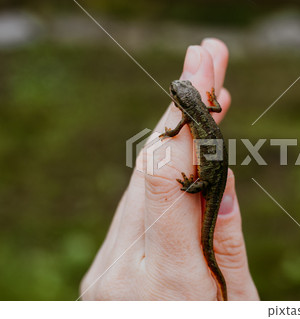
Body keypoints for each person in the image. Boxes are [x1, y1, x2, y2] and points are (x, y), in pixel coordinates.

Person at [79, 38, 259, 300]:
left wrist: (188, 180)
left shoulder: (188, 115)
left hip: (211, 177)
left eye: (176, 93)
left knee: (205, 207)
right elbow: (216, 106)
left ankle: (192, 187)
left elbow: (175, 131)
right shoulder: (203, 109)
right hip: (214, 171)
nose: (174, 91)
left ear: (183, 103)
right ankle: (220, 280)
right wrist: (209, 97)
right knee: (207, 224)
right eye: (176, 91)